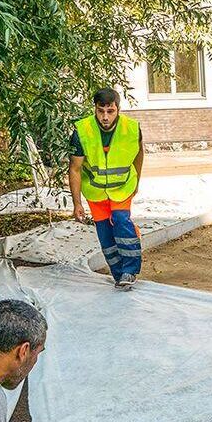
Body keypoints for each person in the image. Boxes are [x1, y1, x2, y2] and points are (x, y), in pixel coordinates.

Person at [68, 88, 145, 289]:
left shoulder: (132, 128)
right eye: (100, 111)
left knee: (121, 221)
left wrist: (136, 182)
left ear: (118, 109)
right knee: (105, 233)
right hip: (95, 192)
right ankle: (118, 274)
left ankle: (130, 270)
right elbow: (74, 169)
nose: (105, 117)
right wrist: (77, 204)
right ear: (94, 108)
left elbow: (139, 154)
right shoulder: (82, 131)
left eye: (110, 111)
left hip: (122, 188)